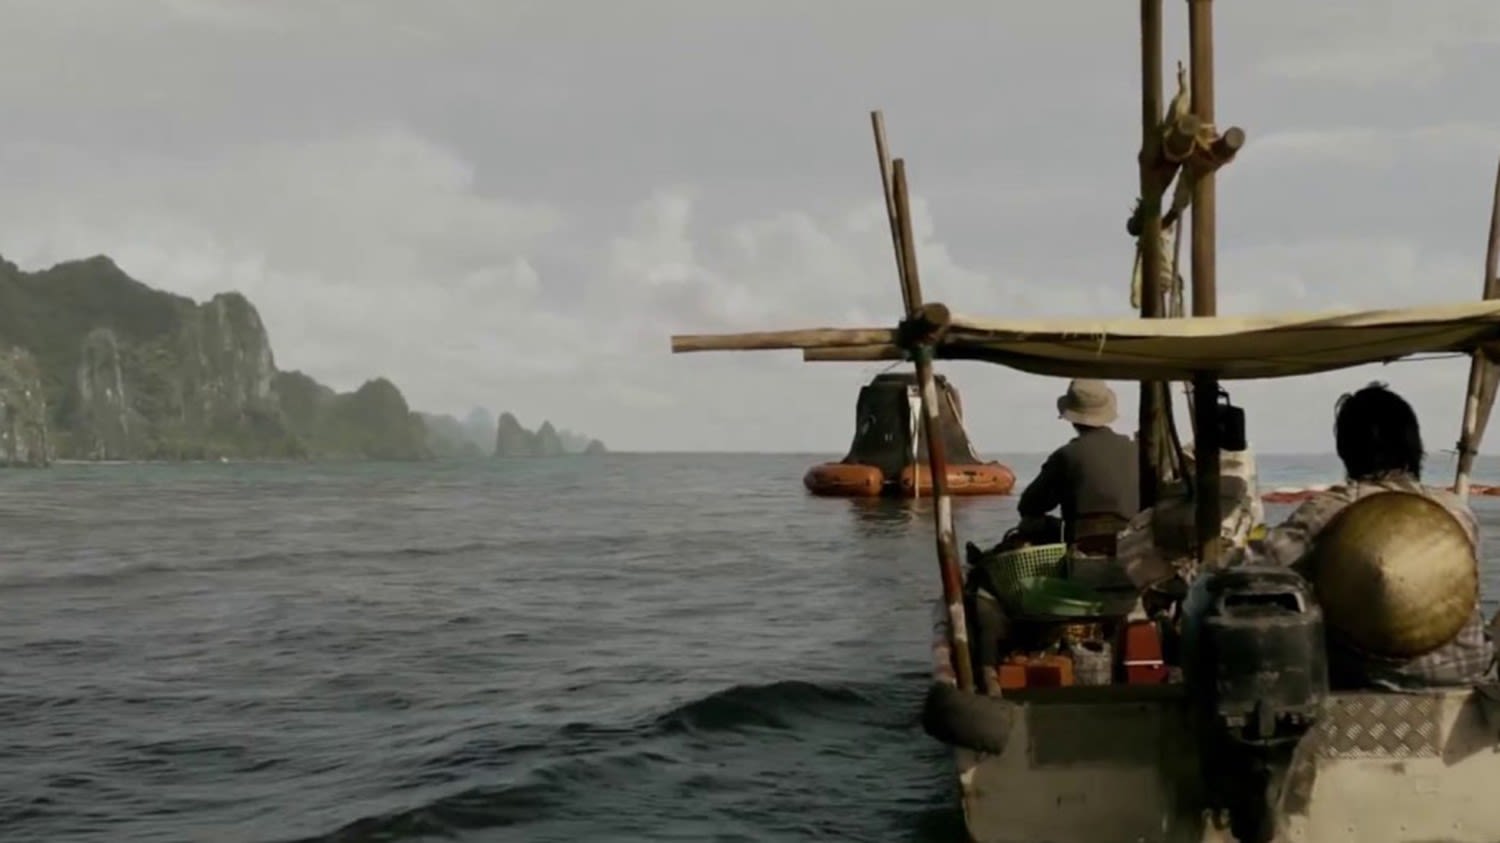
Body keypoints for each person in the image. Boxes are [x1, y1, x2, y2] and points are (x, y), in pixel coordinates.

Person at [1255, 382, 1495, 690]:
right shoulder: (1456, 511)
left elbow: (1254, 569)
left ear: (1345, 449)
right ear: (1413, 445)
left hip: (1365, 681)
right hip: (1464, 676)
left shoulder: (1328, 511)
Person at [1016, 379, 1140, 551]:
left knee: (1030, 524)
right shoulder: (1136, 450)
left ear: (1072, 419)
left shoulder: (1066, 456)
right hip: (1133, 542)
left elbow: (1028, 505)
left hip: (1083, 545)